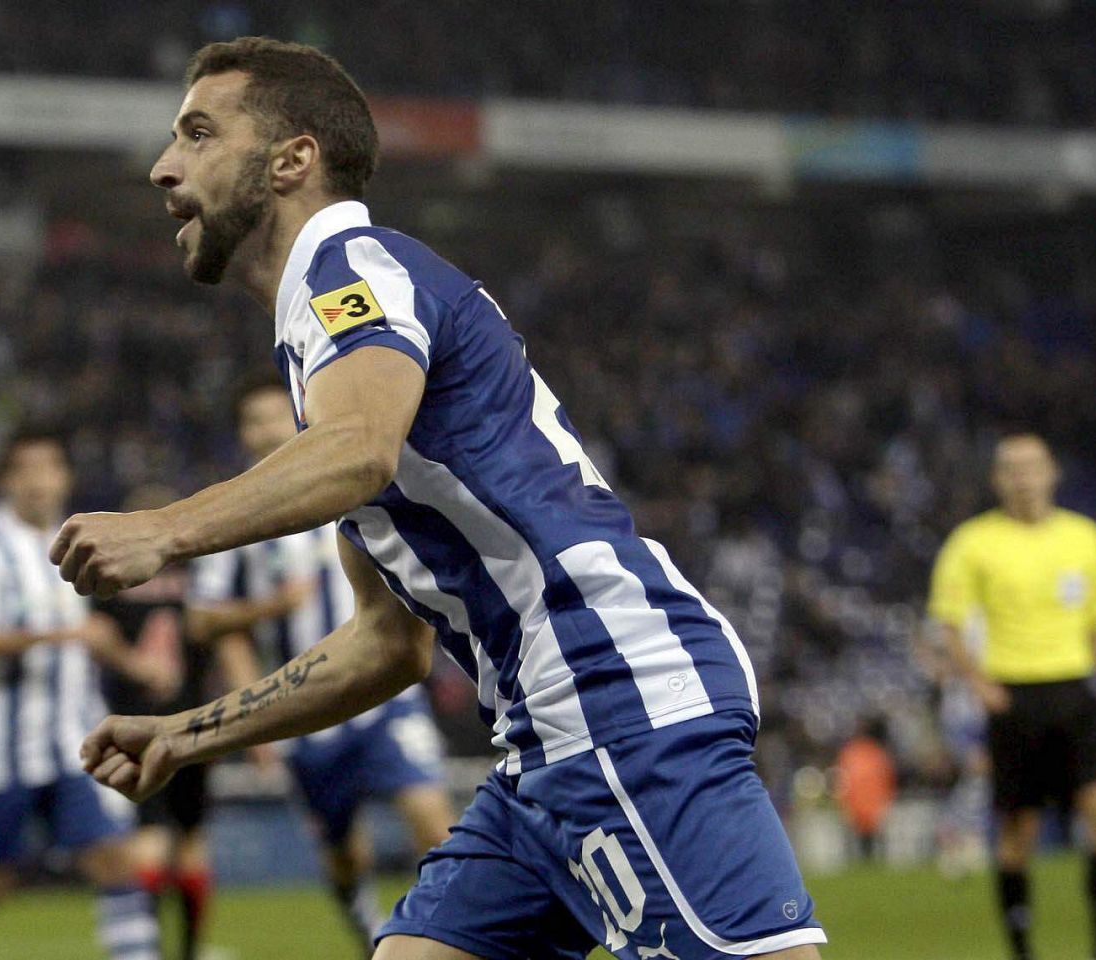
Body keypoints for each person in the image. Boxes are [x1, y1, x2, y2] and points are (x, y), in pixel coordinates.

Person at [53, 37, 824, 960]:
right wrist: (187, 733)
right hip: (540, 742)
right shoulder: (327, 361)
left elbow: (359, 453)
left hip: (619, 699)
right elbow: (386, 646)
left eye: (199, 133)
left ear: (293, 158)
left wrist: (163, 532)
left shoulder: (353, 275)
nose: (162, 166)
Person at [188, 372, 456, 954]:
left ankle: (449, 939)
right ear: (242, 434)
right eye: (251, 421)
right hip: (309, 704)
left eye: (272, 416)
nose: (264, 429)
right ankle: (368, 930)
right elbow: (206, 622)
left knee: (434, 824)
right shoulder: (237, 516)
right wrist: (252, 705)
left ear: (298, 414)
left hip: (386, 695)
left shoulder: (356, 477)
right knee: (343, 850)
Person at [0, 429, 157, 960]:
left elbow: (89, 638)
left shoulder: (77, 543)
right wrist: (57, 635)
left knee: (114, 860)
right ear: (7, 481)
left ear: (65, 478)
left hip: (75, 737)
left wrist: (132, 664)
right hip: (1, 749)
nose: (38, 482)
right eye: (25, 470)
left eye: (49, 468)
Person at [929, 433, 1096, 960]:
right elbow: (948, 625)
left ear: (1052, 473)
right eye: (1012, 468)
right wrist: (979, 683)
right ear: (998, 479)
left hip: (1075, 692)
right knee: (1018, 834)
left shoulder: (1085, 538)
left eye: (1032, 466)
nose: (1023, 477)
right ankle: (1022, 950)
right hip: (1014, 698)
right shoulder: (973, 542)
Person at [90, 496, 218, 960]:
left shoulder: (113, 571)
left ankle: (148, 950)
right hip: (197, 719)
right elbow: (213, 632)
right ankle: (188, 950)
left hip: (134, 723)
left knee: (151, 837)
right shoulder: (200, 571)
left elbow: (97, 636)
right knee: (190, 840)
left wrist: (134, 667)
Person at [833, 716, 896, 862]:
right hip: (866, 805)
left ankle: (868, 865)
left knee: (870, 842)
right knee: (863, 842)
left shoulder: (856, 752)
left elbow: (842, 780)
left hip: (866, 805)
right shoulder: (870, 752)